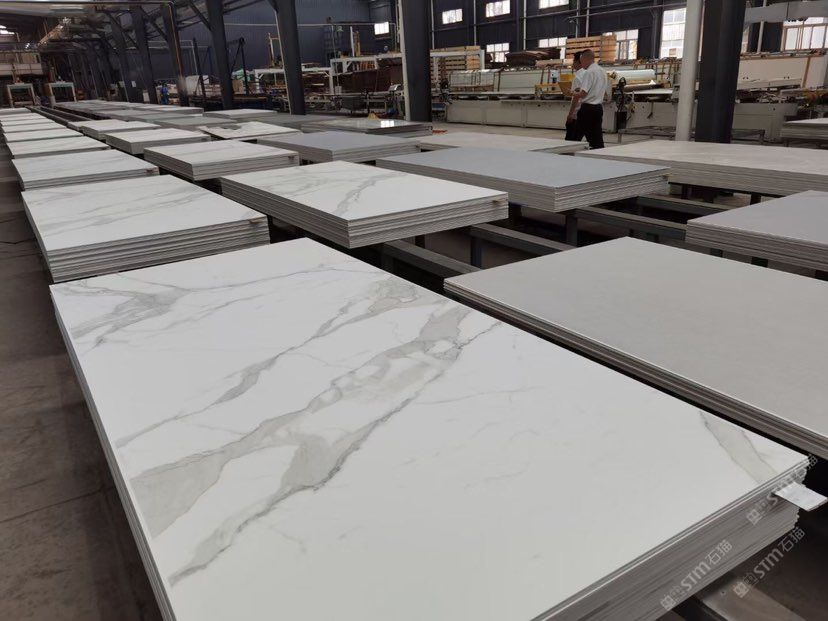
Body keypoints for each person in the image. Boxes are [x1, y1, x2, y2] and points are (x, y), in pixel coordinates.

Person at [572, 49, 609, 149]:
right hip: (598, 108)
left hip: (587, 109)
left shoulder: (589, 72)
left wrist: (572, 93)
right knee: (597, 137)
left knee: (575, 136)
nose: (581, 64)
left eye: (581, 61)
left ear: (586, 59)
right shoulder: (602, 71)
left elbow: (583, 94)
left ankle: (567, 153)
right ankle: (599, 153)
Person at [565, 52, 586, 142]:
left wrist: (570, 114)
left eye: (574, 61)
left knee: (570, 140)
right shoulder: (589, 74)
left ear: (578, 62)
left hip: (577, 114)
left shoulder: (578, 77)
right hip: (588, 111)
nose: (573, 63)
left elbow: (576, 98)